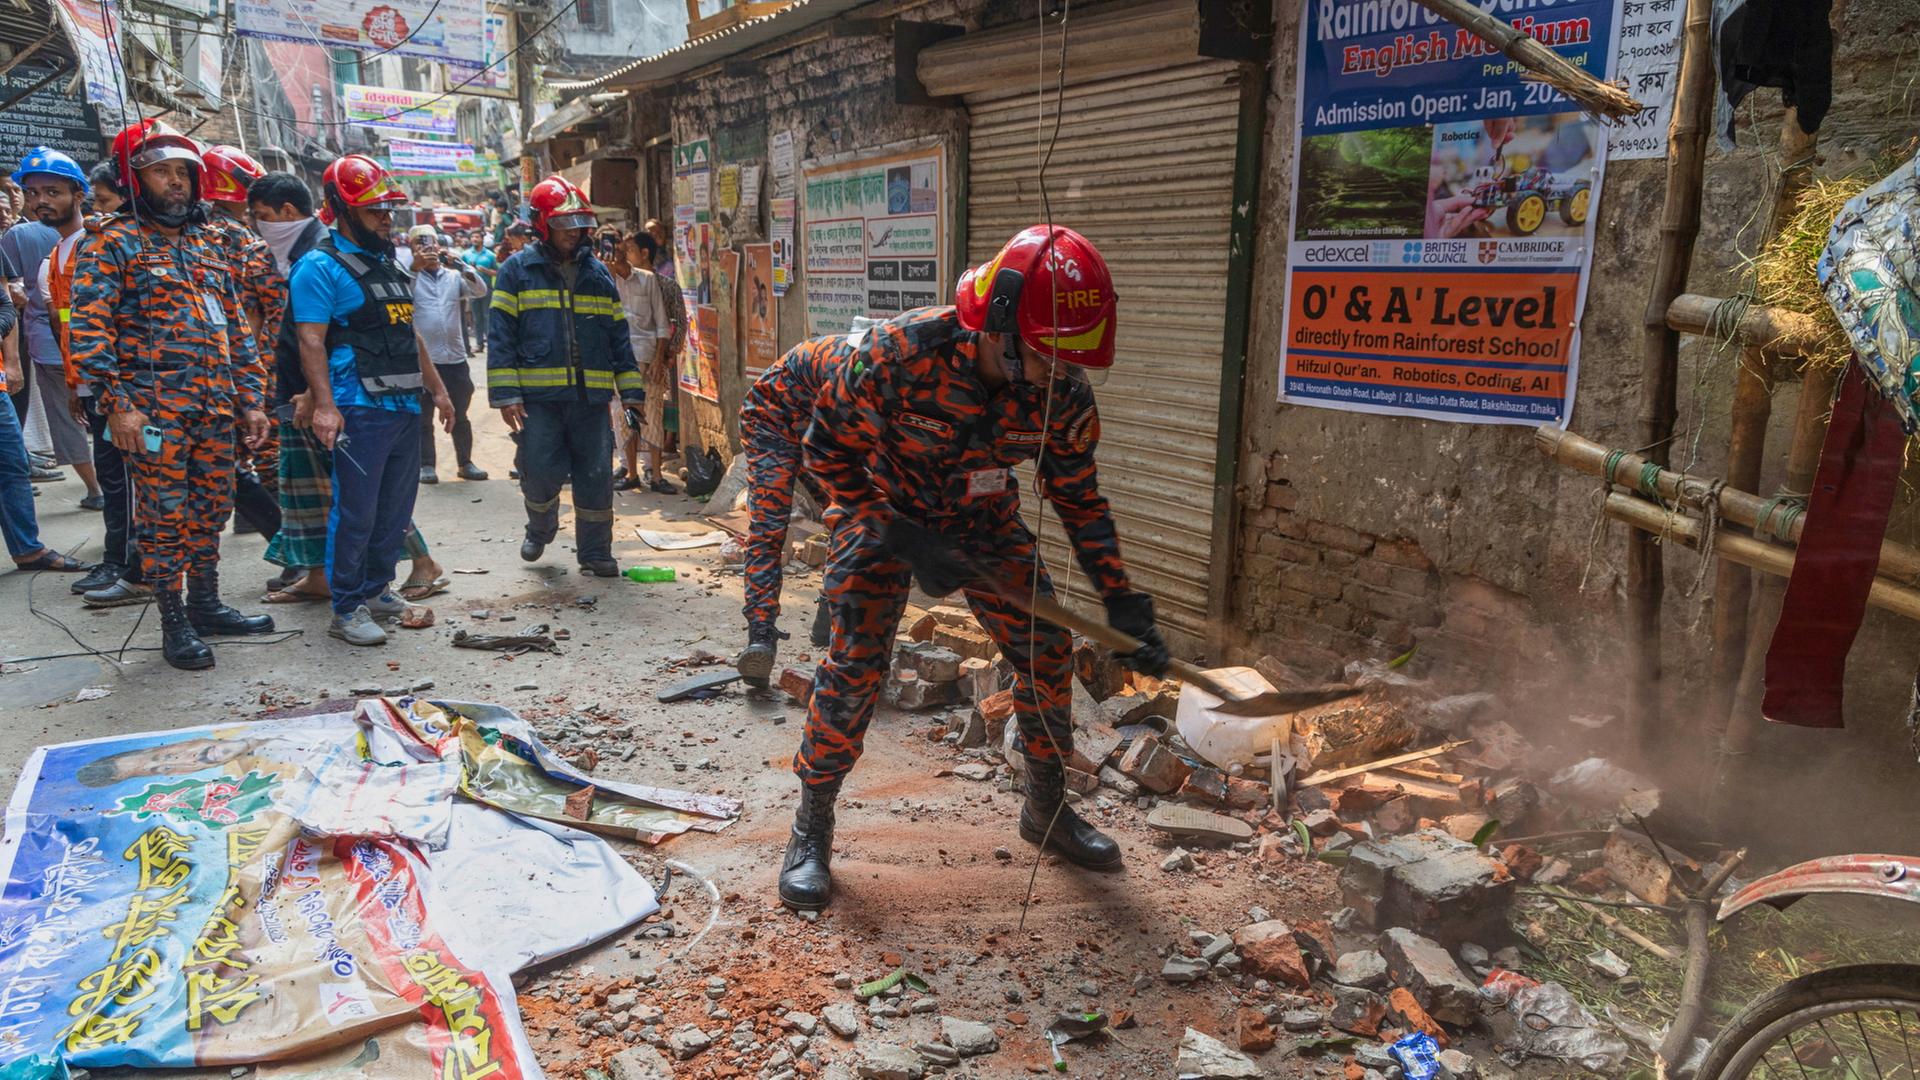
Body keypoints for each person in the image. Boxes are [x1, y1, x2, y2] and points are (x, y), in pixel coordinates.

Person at [775, 226, 1173, 911]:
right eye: (1051, 357)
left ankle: (1046, 812)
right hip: (882, 511)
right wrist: (894, 531)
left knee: (1047, 649)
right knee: (858, 663)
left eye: (1074, 360)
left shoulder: (1062, 393)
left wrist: (1119, 595)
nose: (1065, 374)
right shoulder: (897, 354)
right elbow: (824, 454)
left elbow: (1077, 496)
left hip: (983, 523)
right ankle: (811, 827)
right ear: (999, 328)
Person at [69, 120, 276, 669]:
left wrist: (251, 400)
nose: (177, 182)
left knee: (211, 508)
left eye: (183, 171)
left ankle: (207, 603)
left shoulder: (209, 243)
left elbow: (236, 330)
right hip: (151, 415)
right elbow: (89, 334)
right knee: (164, 516)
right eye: (162, 171)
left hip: (214, 410)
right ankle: (173, 618)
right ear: (135, 180)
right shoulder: (109, 242)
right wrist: (119, 406)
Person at [248, 171, 447, 608]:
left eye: (388, 209)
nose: (385, 219)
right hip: (358, 406)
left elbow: (409, 333)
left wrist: (437, 390)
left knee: (392, 513)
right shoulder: (319, 266)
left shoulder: (387, 264)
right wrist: (323, 404)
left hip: (402, 404)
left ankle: (378, 590)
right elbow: (310, 339)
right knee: (355, 514)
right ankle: (348, 606)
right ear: (343, 210)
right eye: (374, 210)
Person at [487, 175, 643, 577]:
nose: (574, 233)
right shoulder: (516, 272)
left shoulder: (599, 275)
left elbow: (618, 338)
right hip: (539, 400)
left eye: (579, 224)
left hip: (590, 399)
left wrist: (631, 394)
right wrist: (506, 396)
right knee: (538, 471)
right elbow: (500, 336)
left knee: (595, 475)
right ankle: (540, 529)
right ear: (542, 224)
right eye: (564, 224)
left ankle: (595, 551)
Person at [733, 331, 841, 687]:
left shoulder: (900, 387)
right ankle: (760, 636)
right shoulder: (856, 371)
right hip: (771, 422)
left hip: (822, 431)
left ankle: (834, 618)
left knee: (849, 519)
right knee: (768, 527)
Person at [5, 150, 99, 509]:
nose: (39, 201)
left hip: (108, 375)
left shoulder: (102, 240)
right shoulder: (57, 252)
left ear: (78, 194)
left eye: (51, 191)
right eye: (31, 193)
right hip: (68, 360)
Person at [200, 144, 285, 541]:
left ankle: (291, 551)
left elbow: (252, 313)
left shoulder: (219, 235)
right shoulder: (240, 238)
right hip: (243, 362)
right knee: (247, 455)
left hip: (226, 363)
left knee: (247, 456)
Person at [408, 228, 488, 484]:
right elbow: (400, 294)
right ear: (412, 247)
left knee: (461, 414)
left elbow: (480, 290)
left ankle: (465, 463)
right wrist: (414, 267)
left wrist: (460, 263)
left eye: (430, 244)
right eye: (420, 245)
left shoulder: (453, 277)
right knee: (423, 417)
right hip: (423, 361)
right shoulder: (408, 276)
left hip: (454, 358)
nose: (427, 250)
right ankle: (426, 465)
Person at [607, 231, 673, 494]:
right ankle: (632, 472)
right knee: (623, 419)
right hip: (618, 360)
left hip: (647, 358)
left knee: (653, 417)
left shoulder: (647, 280)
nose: (618, 250)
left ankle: (656, 475)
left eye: (623, 246)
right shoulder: (603, 281)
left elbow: (661, 324)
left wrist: (659, 359)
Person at [459, 229, 497, 354]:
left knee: (487, 316)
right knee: (476, 317)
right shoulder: (466, 254)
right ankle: (479, 343)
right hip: (472, 290)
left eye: (477, 237)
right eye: (472, 237)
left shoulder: (490, 255)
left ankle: (491, 343)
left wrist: (486, 271)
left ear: (482, 239)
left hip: (487, 289)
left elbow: (497, 272)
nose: (474, 239)